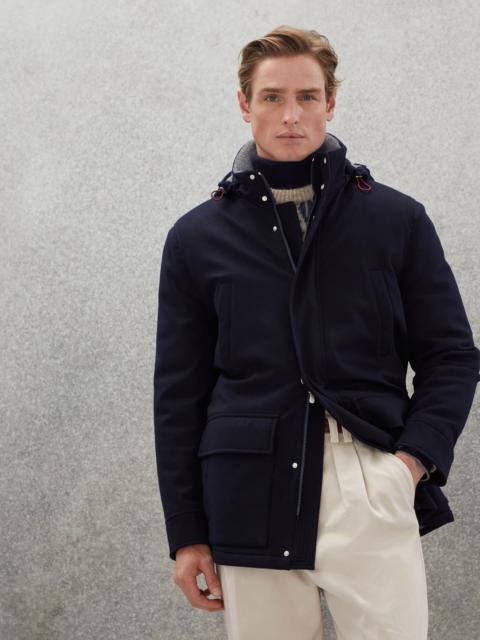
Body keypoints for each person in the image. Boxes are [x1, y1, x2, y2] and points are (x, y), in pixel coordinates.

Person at [153, 25, 480, 639]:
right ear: (244, 103)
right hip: (247, 492)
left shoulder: (396, 220)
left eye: (307, 96)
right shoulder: (197, 238)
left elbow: (452, 356)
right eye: (272, 97)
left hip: (371, 481)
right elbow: (178, 397)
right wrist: (187, 534)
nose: (290, 115)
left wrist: (410, 464)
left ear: (331, 102)